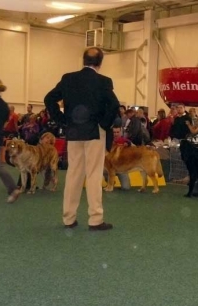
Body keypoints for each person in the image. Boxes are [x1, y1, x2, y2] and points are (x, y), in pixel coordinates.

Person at [44, 47, 120, 231]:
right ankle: (95, 219)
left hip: (74, 132)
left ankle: (68, 218)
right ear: (100, 63)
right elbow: (114, 104)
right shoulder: (104, 81)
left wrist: (62, 120)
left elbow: (49, 99)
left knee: (73, 173)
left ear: (83, 60)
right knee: (94, 174)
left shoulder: (68, 78)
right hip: (95, 132)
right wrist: (104, 123)